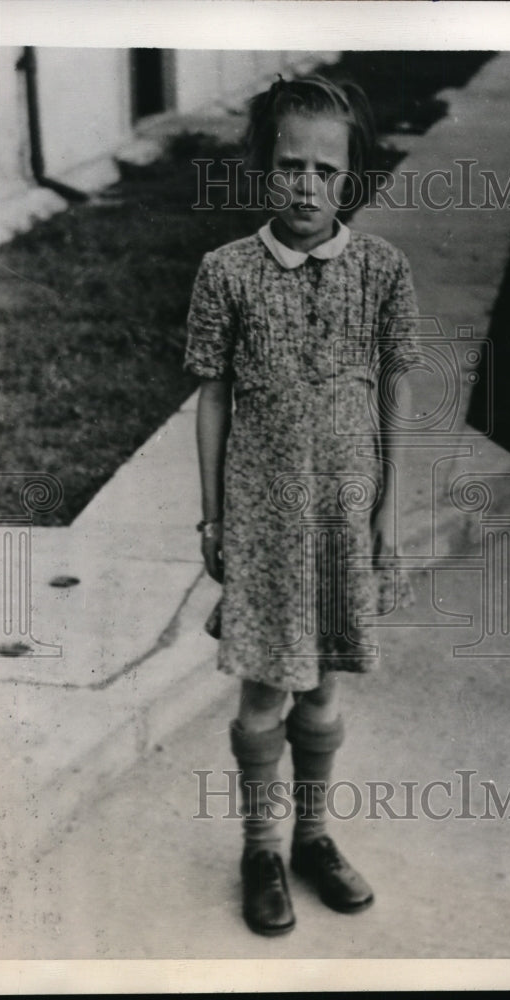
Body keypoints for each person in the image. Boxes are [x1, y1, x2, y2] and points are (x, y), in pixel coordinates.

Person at [184, 74, 417, 937]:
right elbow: (212, 395)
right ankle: (260, 848)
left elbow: (396, 391)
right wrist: (213, 519)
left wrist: (388, 512)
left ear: (350, 174)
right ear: (261, 166)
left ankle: (314, 836)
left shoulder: (382, 270)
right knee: (263, 693)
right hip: (264, 522)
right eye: (289, 166)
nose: (306, 187)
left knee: (321, 691)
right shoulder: (227, 273)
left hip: (343, 521)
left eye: (326, 169)